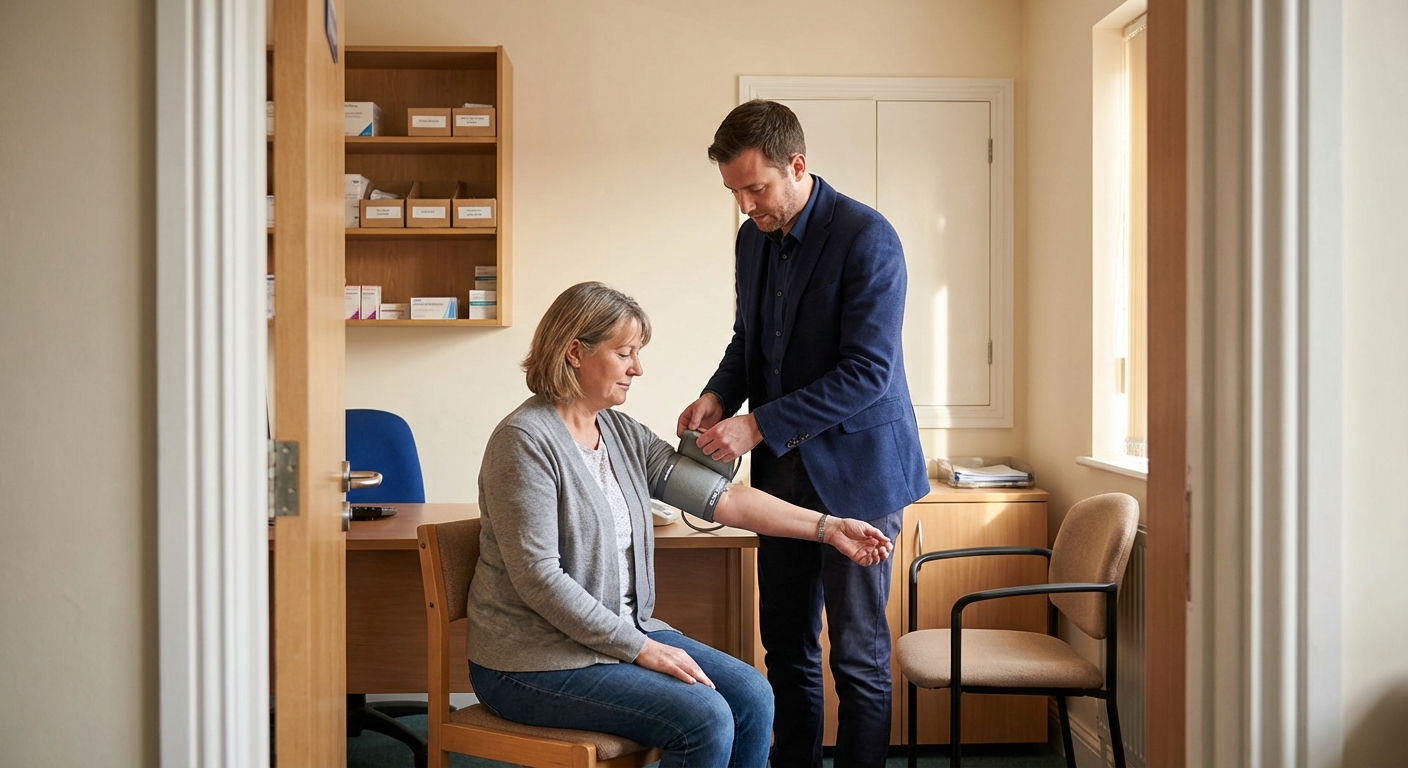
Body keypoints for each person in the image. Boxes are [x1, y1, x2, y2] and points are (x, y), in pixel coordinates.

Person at [467, 281, 895, 768]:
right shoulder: (524, 441)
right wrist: (640, 649)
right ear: (574, 352)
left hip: (617, 634)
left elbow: (725, 499)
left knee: (754, 694)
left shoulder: (619, 432)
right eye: (624, 352)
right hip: (532, 660)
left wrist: (829, 527)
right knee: (704, 718)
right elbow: (539, 578)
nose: (637, 368)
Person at [677, 99, 930, 768]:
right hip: (784, 481)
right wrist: (717, 395)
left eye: (754, 188)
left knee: (857, 656)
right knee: (786, 649)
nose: (745, 205)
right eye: (734, 192)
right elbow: (749, 343)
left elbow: (869, 373)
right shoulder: (751, 240)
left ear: (797, 165)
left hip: (861, 477)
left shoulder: (868, 238)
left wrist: (756, 424)